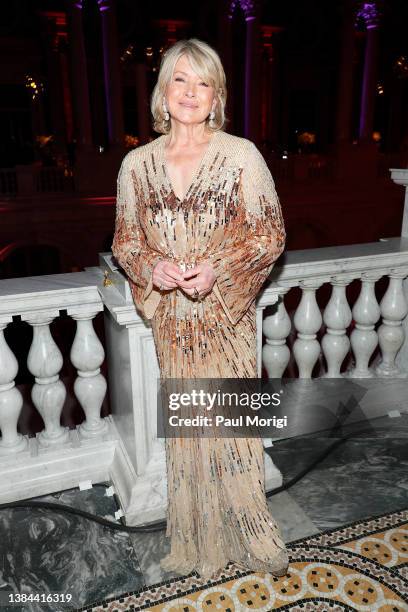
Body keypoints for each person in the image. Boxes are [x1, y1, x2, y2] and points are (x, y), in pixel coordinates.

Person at [111, 38, 288, 580]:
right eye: (179, 80)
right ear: (163, 91)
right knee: (189, 430)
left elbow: (269, 234)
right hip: (173, 320)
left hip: (225, 317)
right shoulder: (136, 164)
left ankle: (251, 534)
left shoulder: (241, 155)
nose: (190, 92)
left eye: (202, 82)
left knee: (233, 429)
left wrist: (219, 269)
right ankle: (194, 536)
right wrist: (152, 268)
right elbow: (125, 241)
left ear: (217, 95)